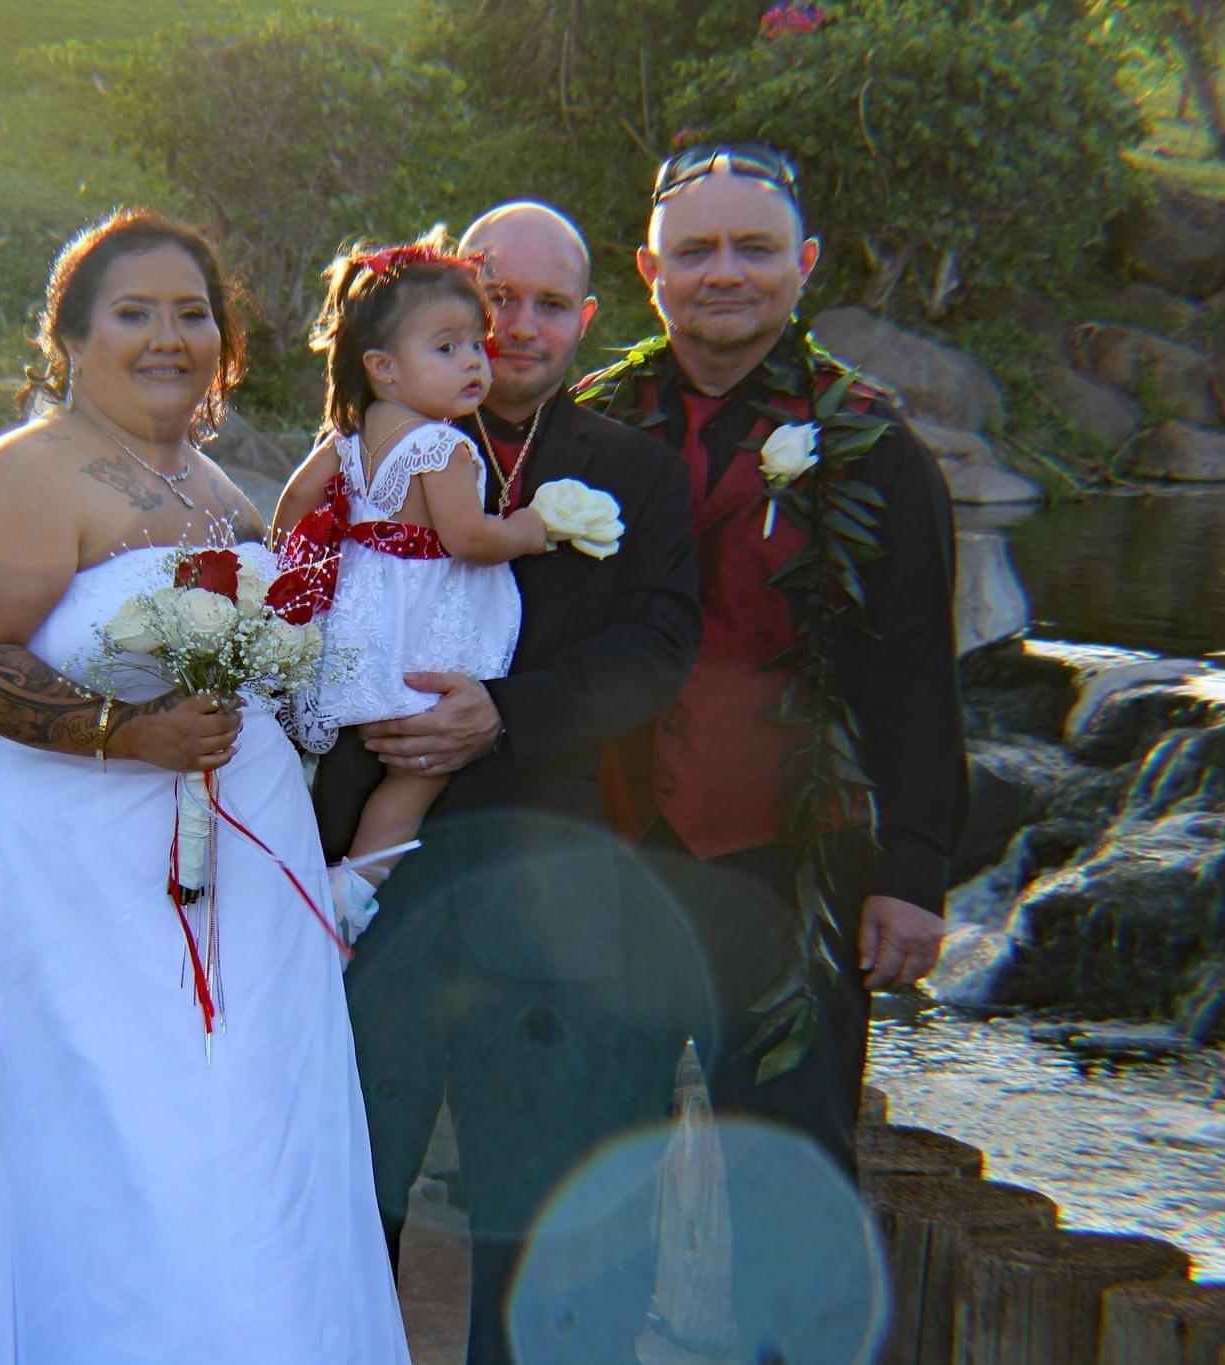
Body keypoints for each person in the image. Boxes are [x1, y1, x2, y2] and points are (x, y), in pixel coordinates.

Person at [0, 207, 410, 1363]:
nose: (166, 337)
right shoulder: (27, 477)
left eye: (191, 314)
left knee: (230, 1142)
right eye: (132, 314)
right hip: (67, 883)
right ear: (71, 338)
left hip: (232, 877)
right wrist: (120, 732)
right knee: (100, 1142)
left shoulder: (223, 493)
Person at [311, 201, 703, 1364]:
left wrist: (502, 717)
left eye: (542, 304)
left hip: (544, 871)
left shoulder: (633, 471)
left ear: (585, 317)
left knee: (535, 1207)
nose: (512, 327)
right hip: (371, 871)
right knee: (347, 1185)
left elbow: (657, 650)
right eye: (492, 298)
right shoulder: (366, 445)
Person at [575, 143, 966, 1173]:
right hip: (609, 858)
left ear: (805, 263)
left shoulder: (877, 449)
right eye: (693, 250)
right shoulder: (582, 433)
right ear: (647, 271)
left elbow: (918, 674)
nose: (723, 272)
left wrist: (913, 869)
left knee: (786, 1179)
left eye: (753, 248)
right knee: (579, 1168)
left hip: (794, 868)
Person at [273, 234, 551, 922]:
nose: (473, 364)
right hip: (420, 626)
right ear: (384, 367)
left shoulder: (348, 436)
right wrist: (529, 529)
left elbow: (292, 506)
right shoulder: (443, 445)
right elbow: (468, 537)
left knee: (347, 754)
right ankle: (352, 893)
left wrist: (308, 555)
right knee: (418, 771)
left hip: (362, 617)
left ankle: (306, 864)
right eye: (447, 348)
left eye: (476, 347)